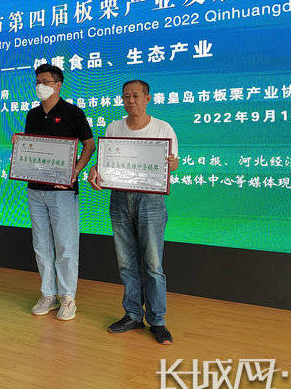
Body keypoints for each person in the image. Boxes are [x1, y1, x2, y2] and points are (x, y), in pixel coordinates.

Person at [88, 79, 179, 344]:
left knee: (153, 264)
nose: (131, 101)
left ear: (148, 98)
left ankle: (158, 321)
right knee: (126, 262)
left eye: (136, 96)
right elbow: (104, 163)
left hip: (150, 200)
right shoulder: (114, 127)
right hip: (119, 199)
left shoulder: (162, 128)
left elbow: (172, 165)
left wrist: (172, 163)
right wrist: (96, 171)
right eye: (126, 96)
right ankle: (133, 315)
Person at [17, 64, 95, 321]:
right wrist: (21, 146)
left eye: (46, 81)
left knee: (65, 245)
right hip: (35, 189)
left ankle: (67, 297)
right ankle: (47, 294)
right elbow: (32, 149)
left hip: (63, 190)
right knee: (41, 244)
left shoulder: (72, 112)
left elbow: (89, 144)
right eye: (37, 81)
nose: (40, 86)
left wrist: (76, 170)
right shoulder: (32, 114)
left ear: (58, 84)